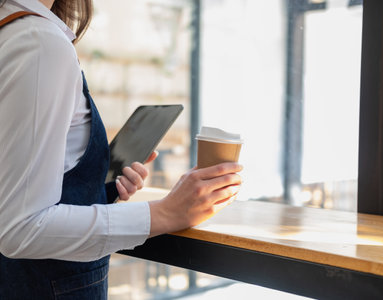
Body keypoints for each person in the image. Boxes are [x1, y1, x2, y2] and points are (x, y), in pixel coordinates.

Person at [0, 0, 243, 298]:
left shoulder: (14, 32)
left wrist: (97, 185)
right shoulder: (39, 44)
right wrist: (165, 213)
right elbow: (21, 228)